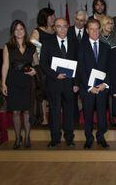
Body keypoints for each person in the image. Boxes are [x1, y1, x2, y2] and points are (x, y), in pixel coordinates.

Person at [40, 18, 78, 148]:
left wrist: (76, 83)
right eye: (59, 26)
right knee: (54, 111)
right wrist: (55, 74)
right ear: (54, 28)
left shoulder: (74, 42)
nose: (62, 29)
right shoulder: (47, 42)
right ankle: (55, 138)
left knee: (69, 112)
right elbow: (43, 63)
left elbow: (78, 64)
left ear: (68, 27)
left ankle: (69, 138)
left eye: (65, 26)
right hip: (54, 82)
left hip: (69, 83)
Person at [1, 20, 37, 149]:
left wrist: (35, 71)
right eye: (16, 29)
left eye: (21, 29)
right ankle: (17, 138)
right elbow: (5, 65)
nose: (19, 31)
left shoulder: (31, 47)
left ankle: (27, 137)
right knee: (16, 112)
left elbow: (36, 64)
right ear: (13, 32)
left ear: (25, 30)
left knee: (27, 111)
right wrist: (4, 84)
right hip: (13, 81)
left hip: (27, 82)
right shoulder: (8, 46)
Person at [77, 18, 111, 149]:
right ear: (87, 30)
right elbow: (81, 69)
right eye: (91, 29)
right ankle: (89, 138)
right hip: (88, 88)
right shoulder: (81, 47)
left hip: (102, 88)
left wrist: (105, 84)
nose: (95, 31)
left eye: (97, 28)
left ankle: (101, 136)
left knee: (102, 114)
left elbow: (110, 68)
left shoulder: (106, 47)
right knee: (88, 114)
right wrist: (89, 87)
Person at [30, 7, 56, 126]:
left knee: (52, 92)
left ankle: (53, 117)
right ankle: (44, 118)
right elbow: (32, 48)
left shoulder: (54, 30)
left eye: (53, 16)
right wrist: (38, 65)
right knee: (43, 93)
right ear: (44, 18)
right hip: (42, 66)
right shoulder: (37, 31)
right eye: (50, 16)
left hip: (54, 66)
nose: (53, 18)